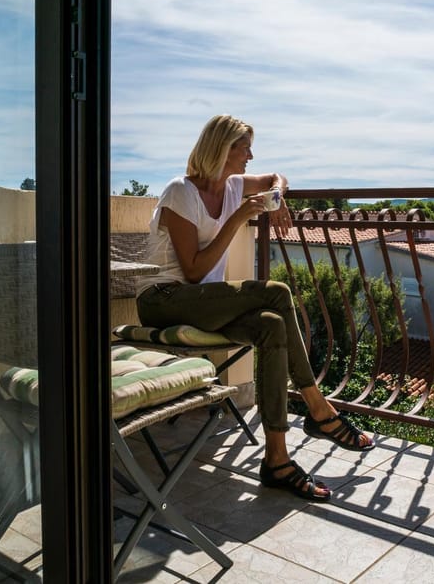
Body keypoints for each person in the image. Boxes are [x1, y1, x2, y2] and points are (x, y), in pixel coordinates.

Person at [136, 114, 374, 502]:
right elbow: (194, 272)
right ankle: (319, 409)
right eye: (244, 147)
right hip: (164, 301)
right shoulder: (181, 192)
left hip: (203, 305)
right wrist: (239, 217)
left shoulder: (233, 185)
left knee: (270, 325)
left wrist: (277, 195)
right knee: (277, 293)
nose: (250, 155)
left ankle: (277, 460)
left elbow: (275, 176)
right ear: (222, 149)